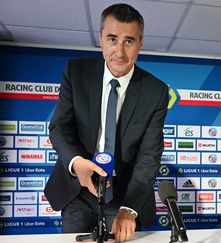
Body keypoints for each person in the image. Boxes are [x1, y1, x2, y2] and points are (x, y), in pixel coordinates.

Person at [44, 3, 168, 242]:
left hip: (123, 195)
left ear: (140, 43)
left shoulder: (157, 91)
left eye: (129, 41)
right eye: (112, 39)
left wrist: (129, 209)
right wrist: (77, 163)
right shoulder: (76, 72)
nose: (119, 51)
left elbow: (149, 155)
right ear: (100, 38)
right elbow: (60, 127)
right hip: (77, 190)